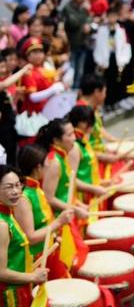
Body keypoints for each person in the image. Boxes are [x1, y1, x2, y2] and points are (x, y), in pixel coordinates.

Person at [15, 144, 73, 279]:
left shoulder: (36, 188)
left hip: (49, 249)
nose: (50, 165)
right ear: (37, 167)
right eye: (47, 163)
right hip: (39, 259)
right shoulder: (24, 197)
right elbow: (31, 237)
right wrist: (58, 222)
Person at [0, 164, 49, 306]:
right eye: (9, 187)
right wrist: (31, 277)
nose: (16, 191)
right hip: (10, 295)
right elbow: (1, 272)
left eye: (18, 185)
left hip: (19, 288)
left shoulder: (8, 214)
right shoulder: (2, 225)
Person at [37, 119, 88, 219]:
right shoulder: (54, 162)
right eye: (69, 135)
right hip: (60, 217)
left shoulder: (62, 156)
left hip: (68, 211)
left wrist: (78, 205)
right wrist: (74, 209)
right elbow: (49, 197)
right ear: (56, 140)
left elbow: (65, 190)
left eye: (74, 133)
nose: (74, 138)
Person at [77, 75, 121, 176]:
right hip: (90, 164)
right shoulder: (82, 114)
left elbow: (99, 129)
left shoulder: (92, 108)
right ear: (97, 92)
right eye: (104, 92)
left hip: (98, 155)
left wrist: (113, 141)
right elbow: (81, 148)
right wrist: (103, 156)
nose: (105, 95)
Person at [93, 6, 133, 110]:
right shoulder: (102, 30)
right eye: (110, 16)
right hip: (106, 59)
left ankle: (115, 101)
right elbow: (98, 46)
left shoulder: (121, 30)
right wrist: (99, 61)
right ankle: (107, 103)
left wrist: (124, 60)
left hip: (117, 58)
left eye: (114, 16)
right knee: (107, 82)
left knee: (117, 81)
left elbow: (126, 45)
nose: (112, 19)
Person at [68, 105, 107, 205]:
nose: (92, 126)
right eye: (89, 122)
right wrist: (94, 188)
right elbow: (71, 180)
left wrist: (101, 182)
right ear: (81, 123)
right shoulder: (75, 146)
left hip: (92, 192)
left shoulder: (83, 139)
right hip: (83, 197)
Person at [18, 37, 65, 114]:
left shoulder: (45, 69)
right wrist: (52, 89)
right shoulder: (28, 72)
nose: (38, 55)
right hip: (33, 114)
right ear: (28, 56)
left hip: (47, 110)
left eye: (40, 52)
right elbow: (32, 97)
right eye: (35, 52)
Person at [62, 0, 92, 88]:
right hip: (71, 44)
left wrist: (89, 24)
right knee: (71, 70)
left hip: (83, 43)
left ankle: (76, 92)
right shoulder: (67, 8)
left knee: (80, 71)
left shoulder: (86, 8)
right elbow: (71, 22)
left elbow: (91, 20)